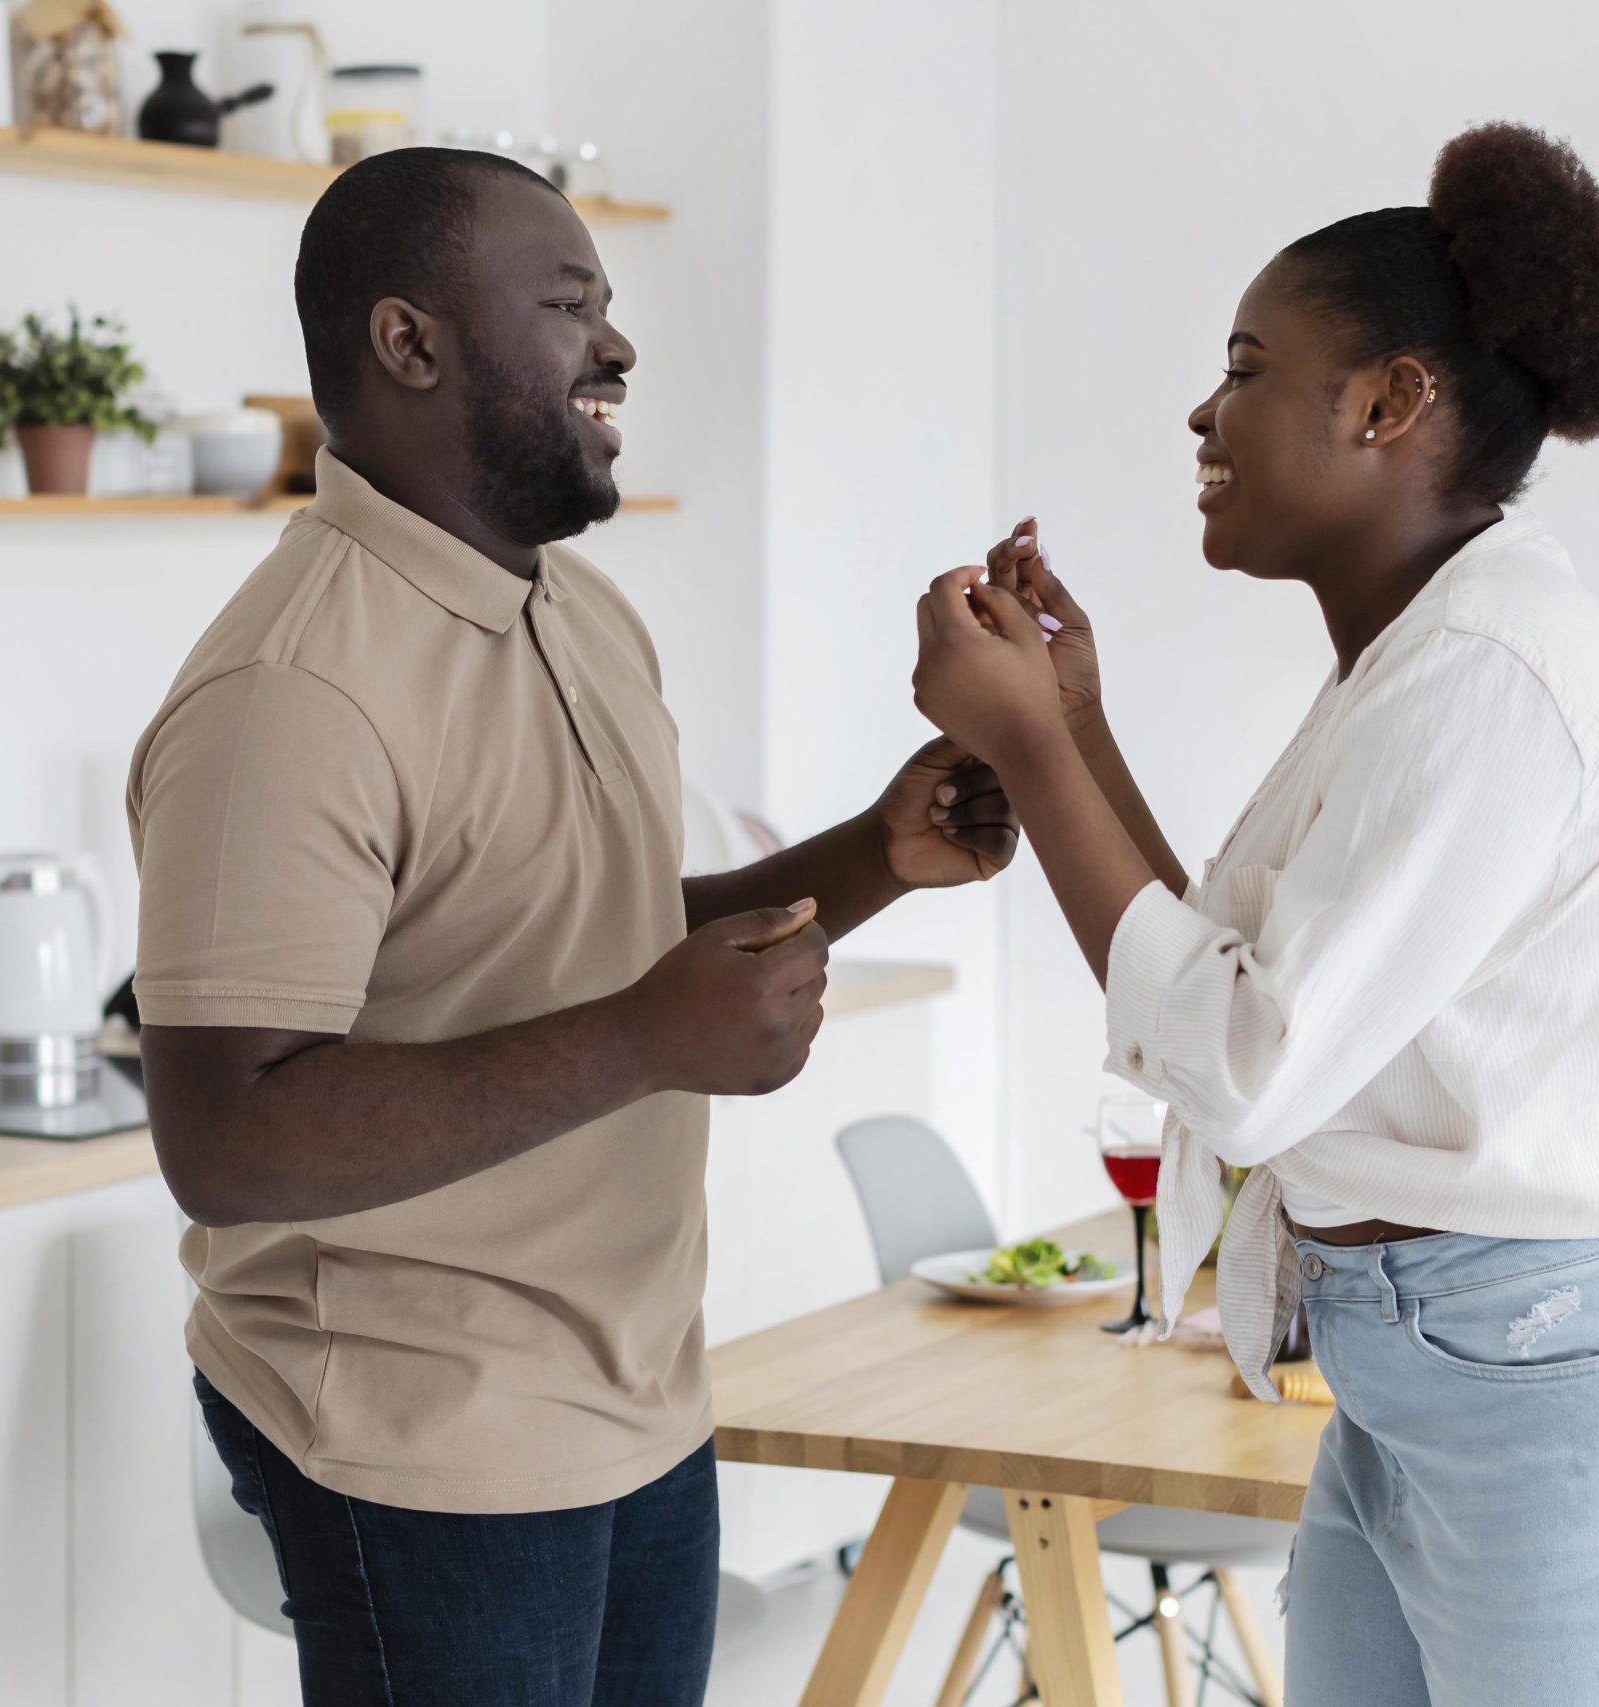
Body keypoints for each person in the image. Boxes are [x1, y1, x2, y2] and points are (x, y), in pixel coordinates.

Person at [910, 122, 1599, 1706]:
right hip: (1440, 1372)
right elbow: (1239, 975)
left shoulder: (1492, 671)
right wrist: (1072, 722)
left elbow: (1243, 1061)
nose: (1204, 413)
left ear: (1389, 402)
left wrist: (1024, 744)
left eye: (1247, 368)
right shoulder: (1423, 659)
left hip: (1594, 1383)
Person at [127, 147, 1018, 1707]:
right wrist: (639, 1038)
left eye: (608, 307)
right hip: (426, 1440)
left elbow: (576, 940)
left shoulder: (583, 613)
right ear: (412, 344)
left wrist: (876, 856)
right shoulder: (294, 692)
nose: (618, 348)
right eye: (566, 306)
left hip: (643, 1397)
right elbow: (229, 1137)